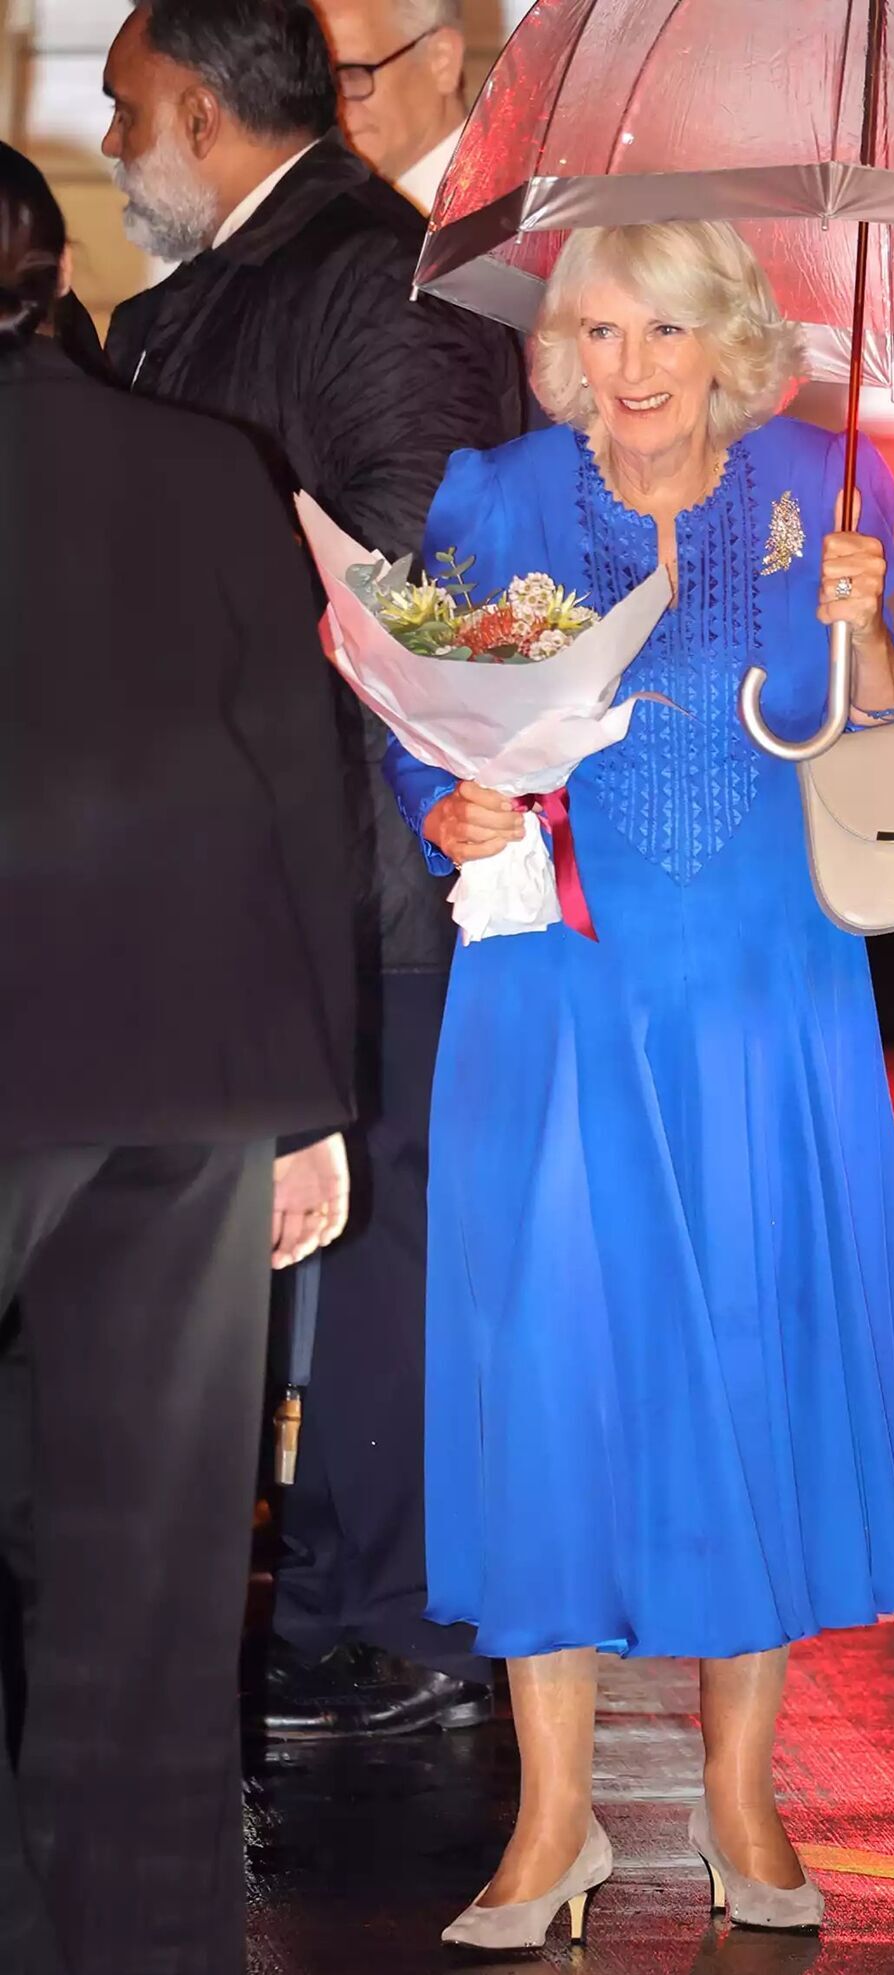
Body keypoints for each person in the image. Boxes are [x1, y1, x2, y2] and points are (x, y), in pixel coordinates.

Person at [385, 220, 894, 1950]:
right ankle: (553, 1818)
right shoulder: (494, 494)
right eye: (595, 328)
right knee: (549, 1368)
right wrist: (452, 808)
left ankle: (736, 1795)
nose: (626, 365)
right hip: (549, 994)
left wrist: (868, 645)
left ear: (731, 337)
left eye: (661, 328)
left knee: (745, 1366)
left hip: (759, 1011)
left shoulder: (830, 487)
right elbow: (419, 722)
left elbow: (893, 750)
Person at [101, 0, 520, 1739]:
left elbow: (425, 575)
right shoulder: (198, 296)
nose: (117, 144)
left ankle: (387, 1618)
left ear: (199, 105)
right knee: (271, 1237)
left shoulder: (376, 275)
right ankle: (314, 1590)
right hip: (229, 850)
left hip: (367, 865)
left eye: (128, 112)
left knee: (385, 1238)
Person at [0, 144, 354, 1975]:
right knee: (148, 1582)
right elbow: (298, 788)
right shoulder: (202, 464)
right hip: (188, 1075)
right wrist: (308, 1096)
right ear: (49, 271)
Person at [313, 0, 466, 215]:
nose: (330, 105)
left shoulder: (516, 220)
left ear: (442, 61)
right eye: (315, 80)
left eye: (351, 75)